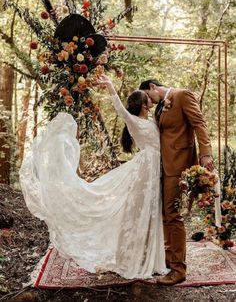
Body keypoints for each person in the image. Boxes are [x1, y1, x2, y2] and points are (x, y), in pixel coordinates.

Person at [19, 74, 170, 280]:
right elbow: (119, 108)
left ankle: (149, 259)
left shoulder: (151, 119)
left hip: (154, 168)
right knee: (140, 212)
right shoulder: (133, 121)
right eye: (147, 98)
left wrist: (168, 102)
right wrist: (110, 87)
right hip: (145, 172)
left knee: (151, 211)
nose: (151, 99)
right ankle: (131, 259)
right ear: (143, 104)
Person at [139, 79, 214, 285]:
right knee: (165, 214)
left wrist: (206, 154)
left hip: (179, 165)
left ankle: (179, 270)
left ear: (153, 87)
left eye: (148, 96)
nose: (149, 102)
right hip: (162, 166)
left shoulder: (182, 95)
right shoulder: (162, 105)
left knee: (173, 214)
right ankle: (169, 260)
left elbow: (199, 123)